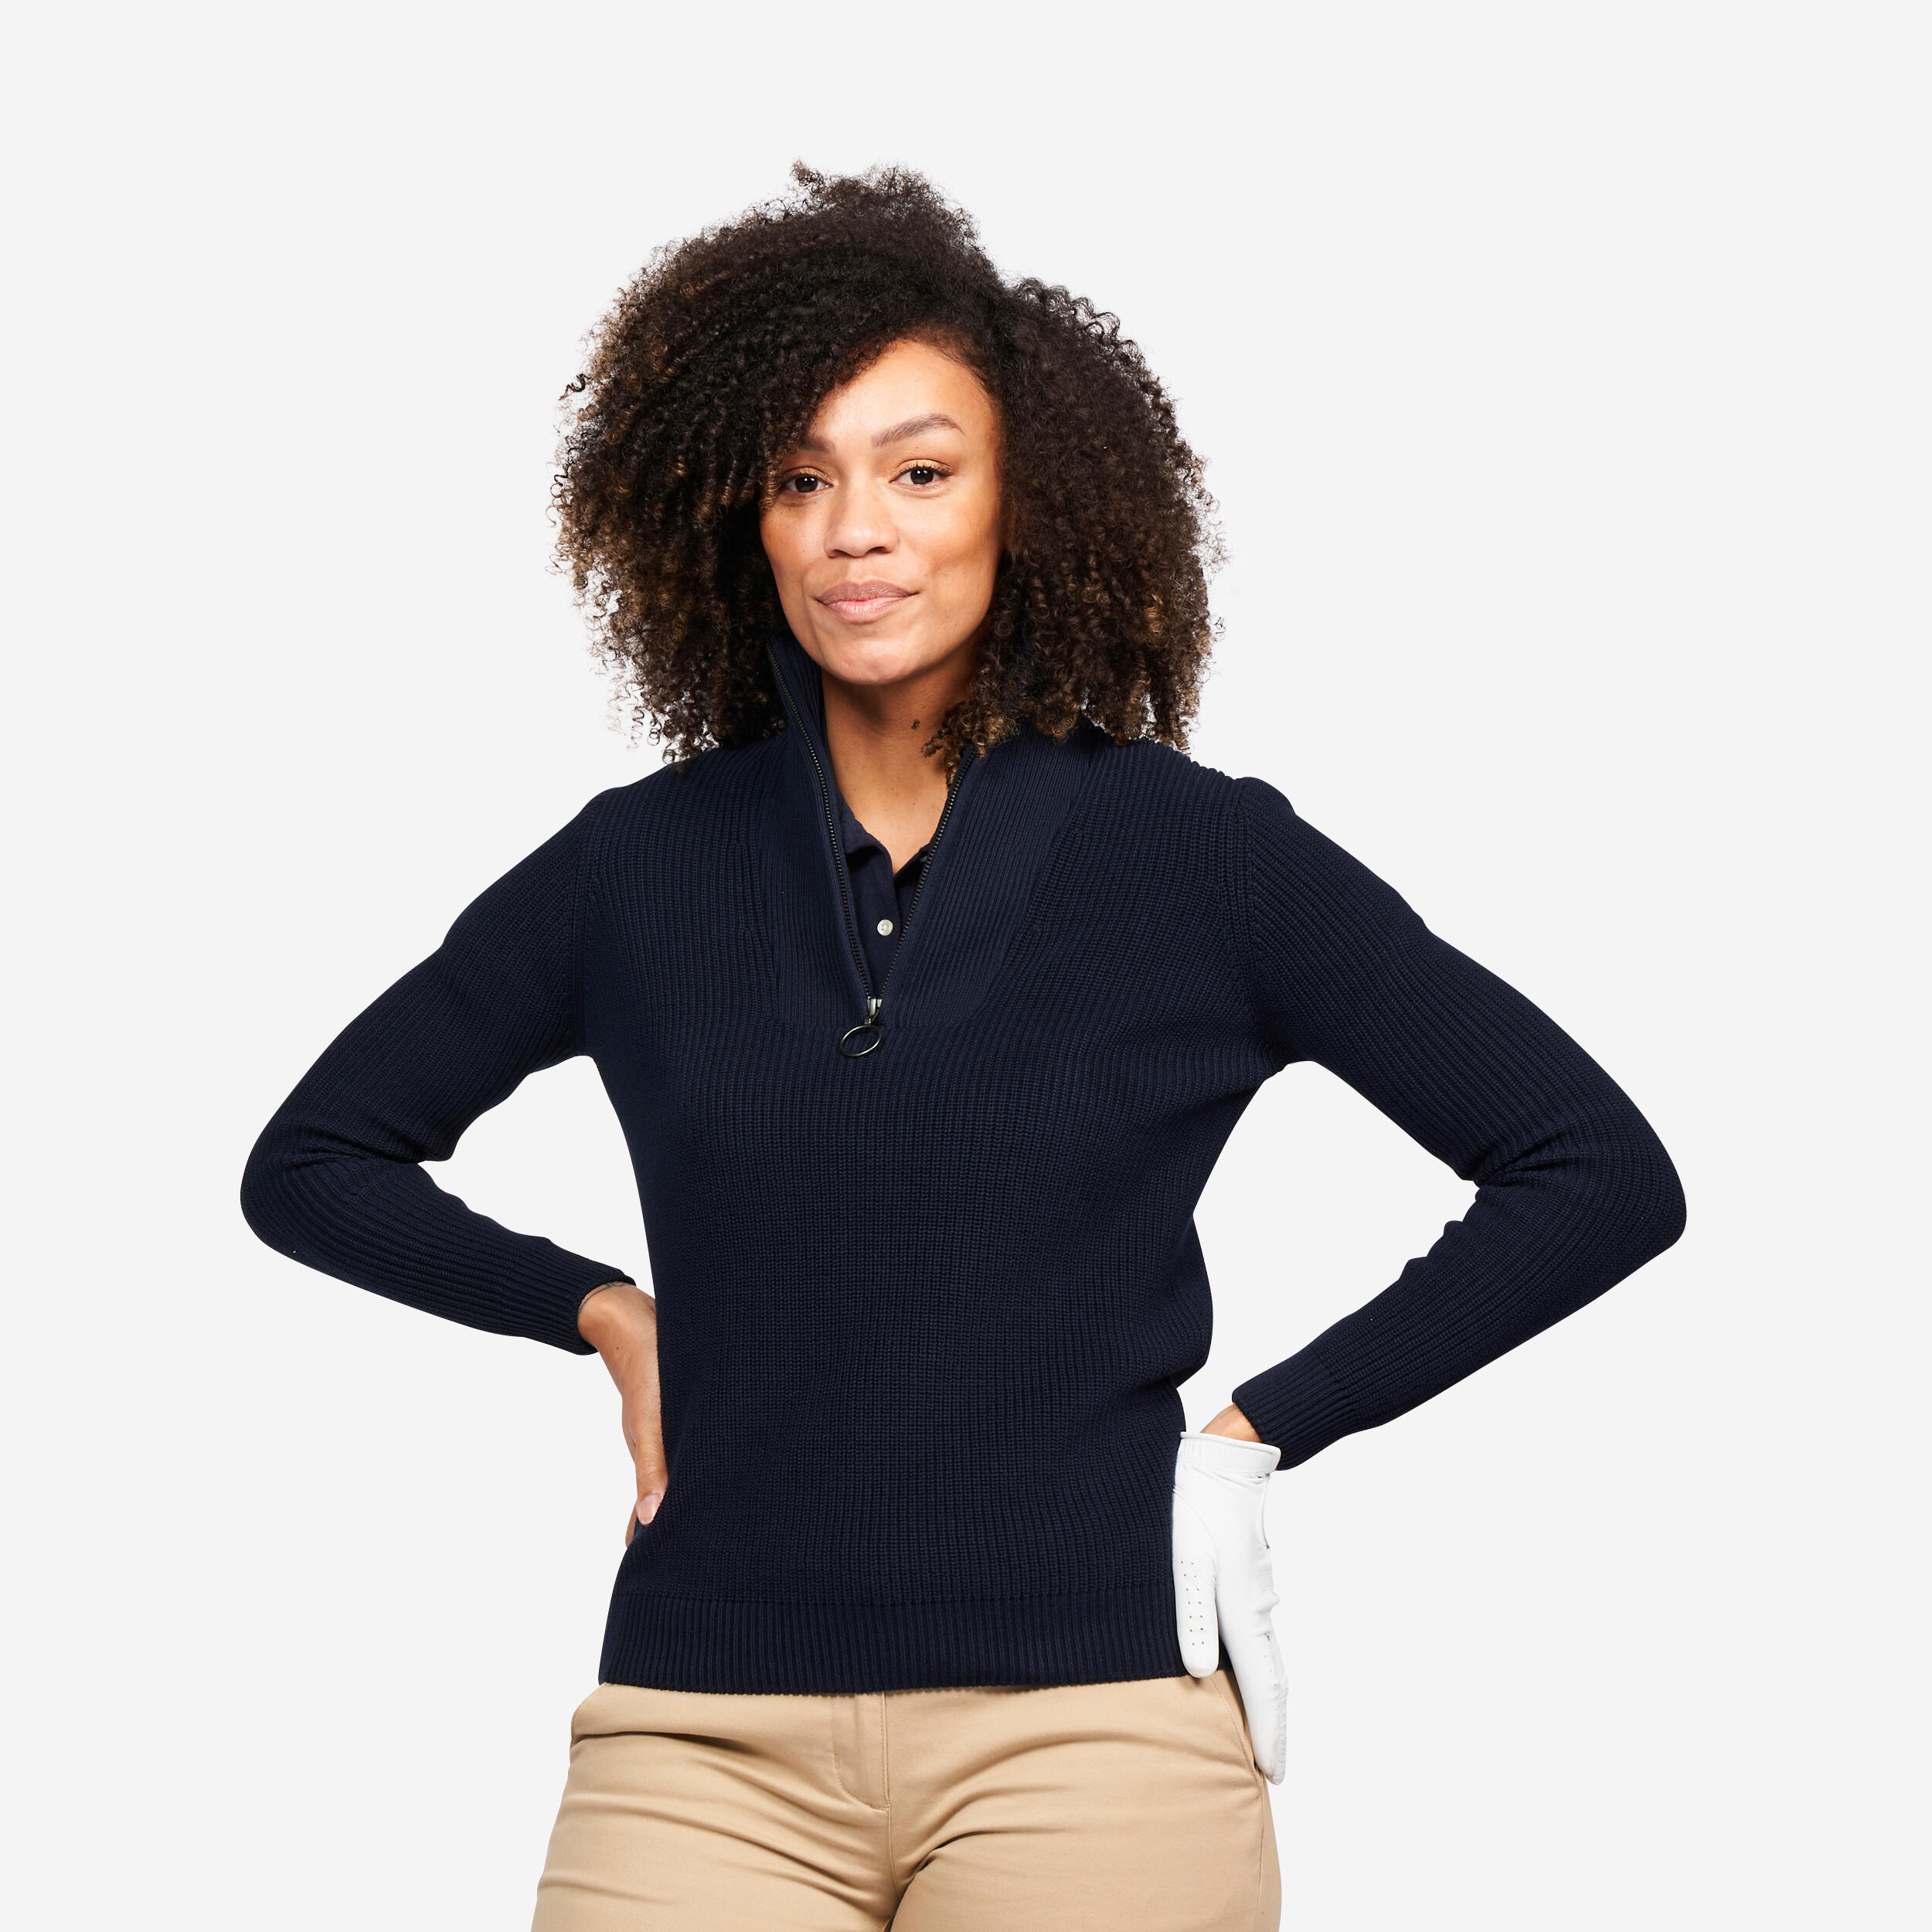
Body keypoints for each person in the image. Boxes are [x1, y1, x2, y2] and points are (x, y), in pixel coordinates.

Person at [240, 164, 1685, 1932]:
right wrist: (605, 1310)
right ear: (735, 520)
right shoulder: (635, 867)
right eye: (800, 479)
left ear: (1029, 501)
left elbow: (1590, 1168)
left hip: (1092, 1726)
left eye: (919, 472)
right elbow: (315, 1159)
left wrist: (1255, 1430)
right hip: (696, 1734)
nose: (855, 529)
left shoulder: (1197, 854)